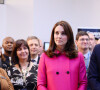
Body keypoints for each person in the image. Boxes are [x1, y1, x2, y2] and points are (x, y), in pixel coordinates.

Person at [37, 21, 87, 90]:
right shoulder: (45, 56)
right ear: (53, 35)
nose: (59, 36)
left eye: (63, 33)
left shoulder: (78, 56)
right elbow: (40, 84)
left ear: (69, 36)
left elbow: (83, 83)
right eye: (56, 33)